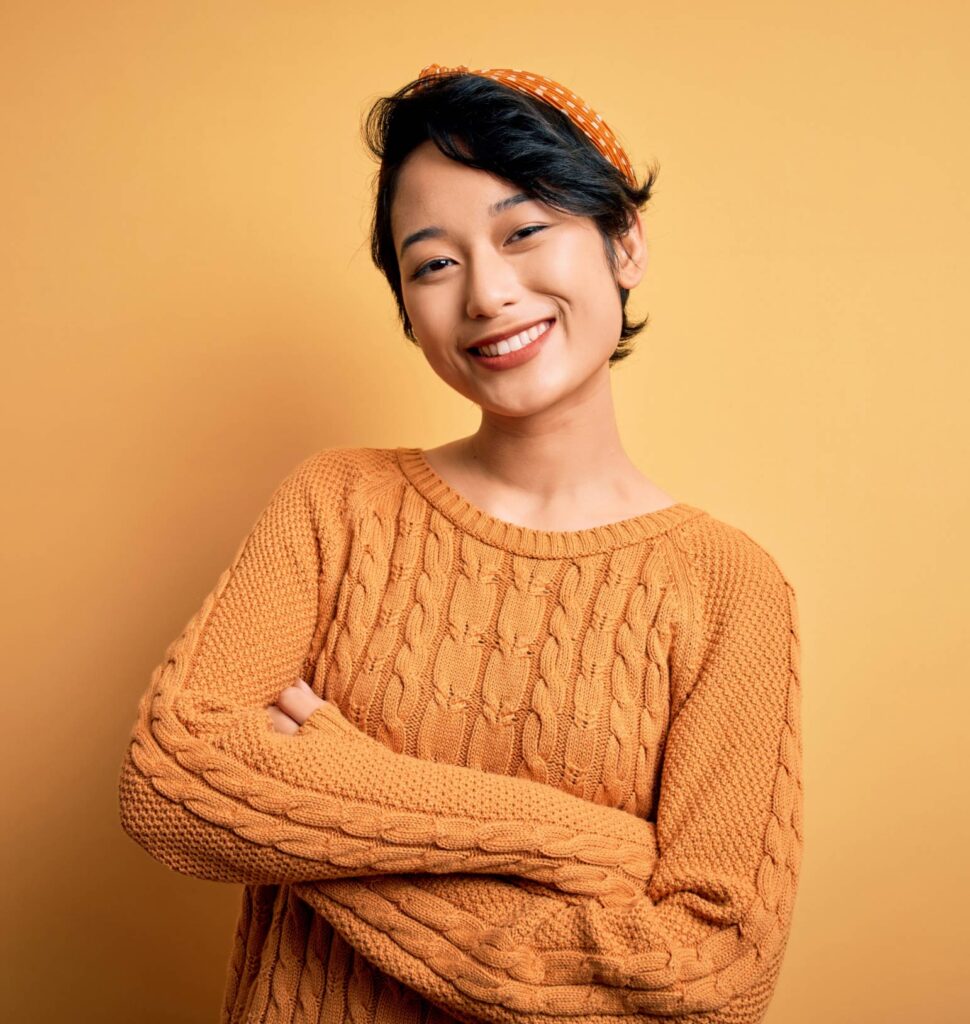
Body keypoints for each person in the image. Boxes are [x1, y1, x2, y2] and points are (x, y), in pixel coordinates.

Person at [118, 64, 804, 1024]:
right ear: (407, 307)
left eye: (525, 232)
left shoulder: (728, 589)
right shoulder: (337, 504)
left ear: (624, 243)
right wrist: (584, 846)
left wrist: (316, 795)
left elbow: (707, 978)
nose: (486, 294)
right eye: (433, 262)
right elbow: (176, 784)